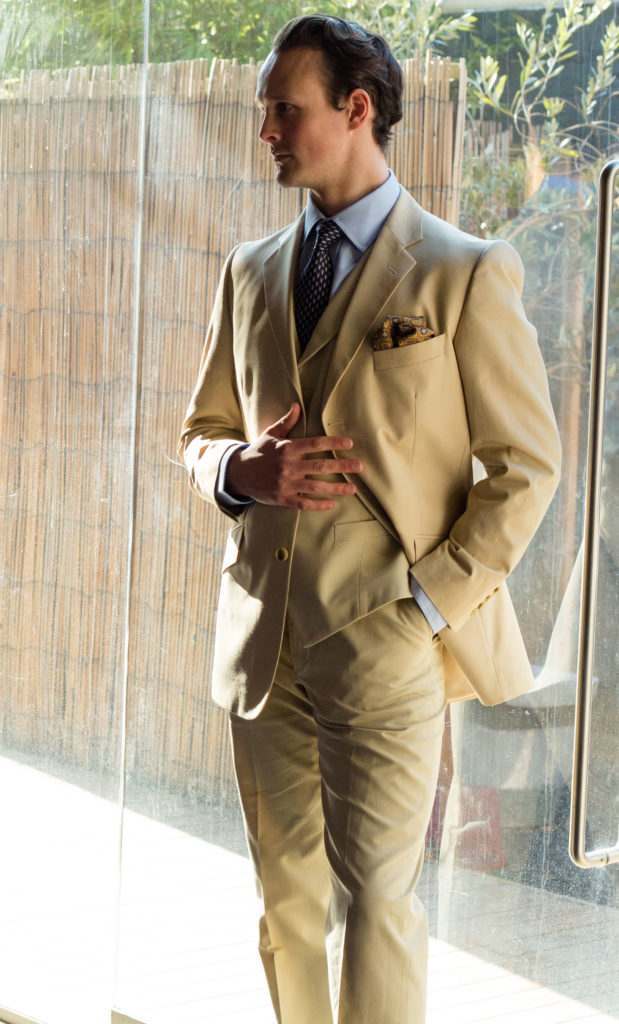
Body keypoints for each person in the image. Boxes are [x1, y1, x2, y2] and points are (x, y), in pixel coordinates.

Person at [176, 14, 562, 1023]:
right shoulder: (249, 271)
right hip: (264, 637)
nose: (266, 128)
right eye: (265, 109)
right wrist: (237, 469)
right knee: (284, 902)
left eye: (284, 109)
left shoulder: (461, 270)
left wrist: (430, 603)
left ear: (357, 110)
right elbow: (199, 434)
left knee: (377, 902)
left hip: (389, 634)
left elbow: (527, 464)